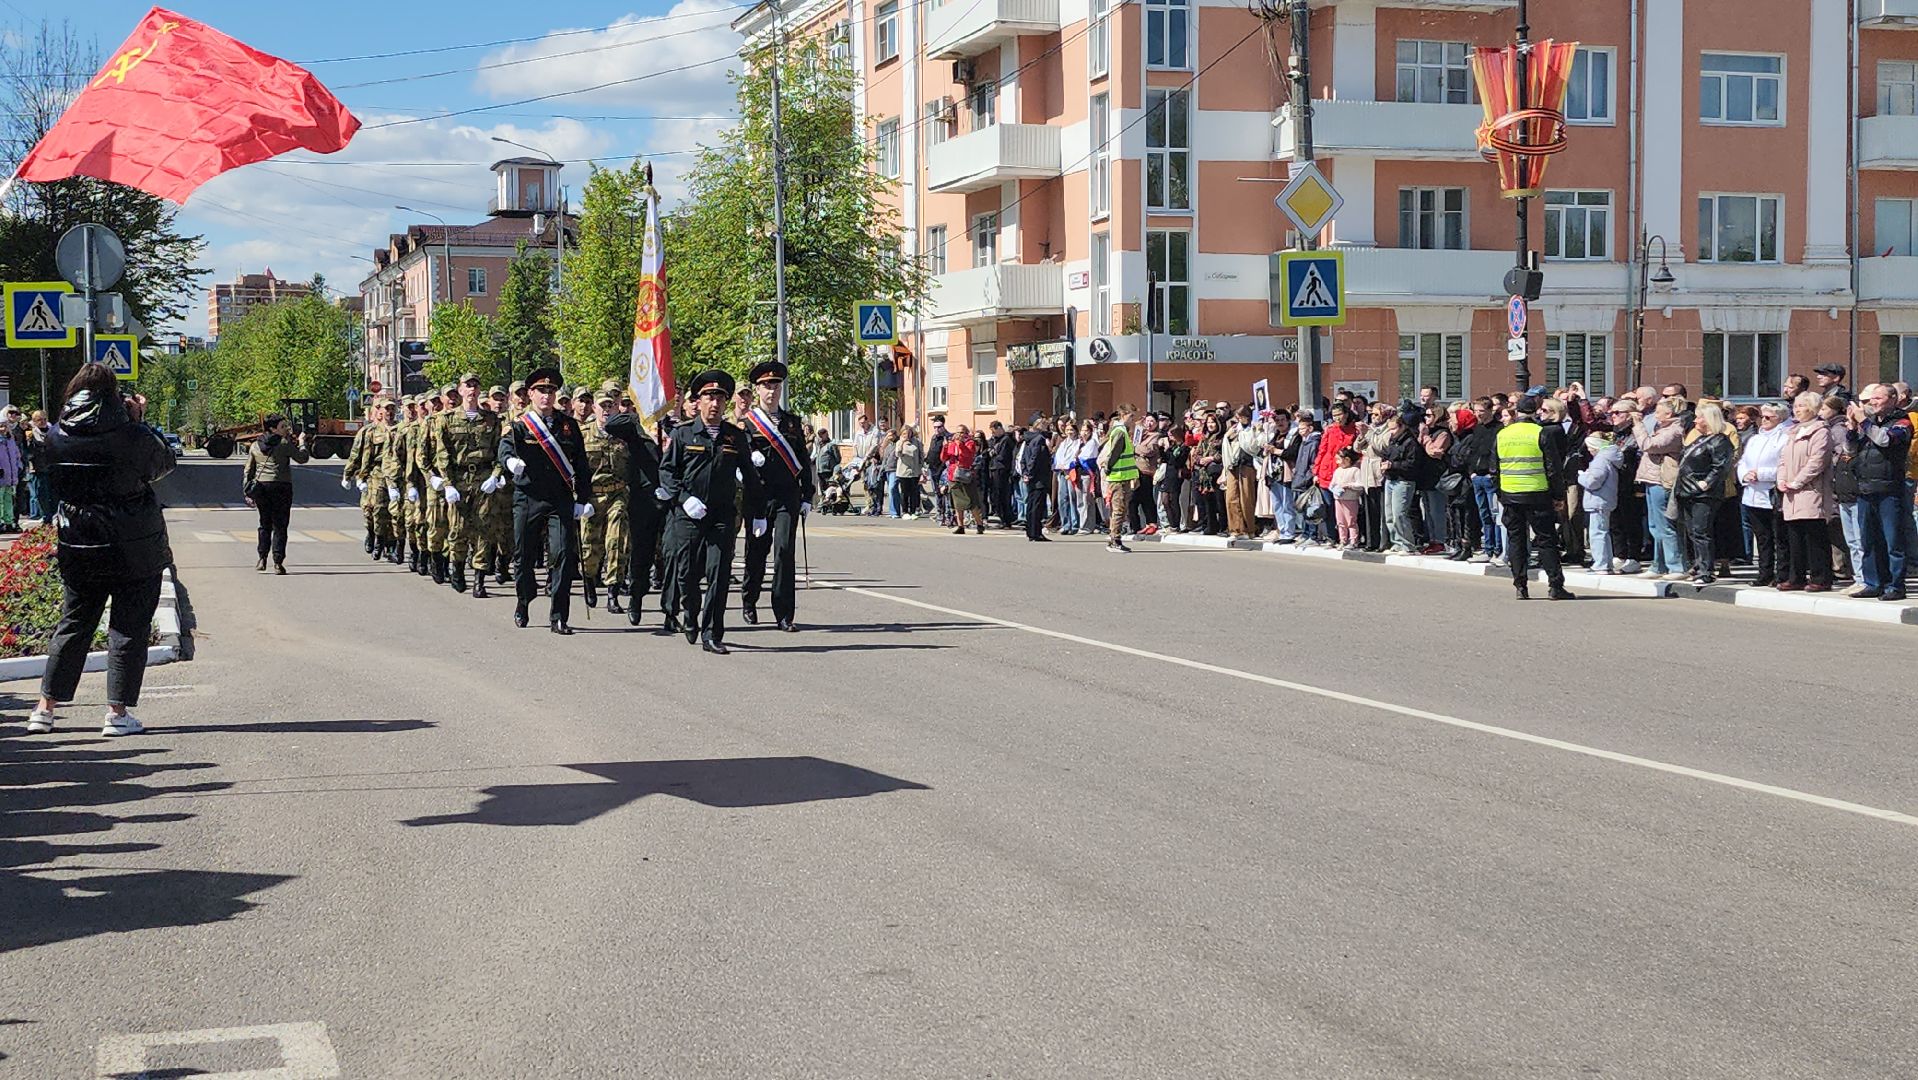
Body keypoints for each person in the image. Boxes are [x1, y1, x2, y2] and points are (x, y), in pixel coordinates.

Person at [27, 364, 174, 737]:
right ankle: (117, 714)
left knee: (74, 622)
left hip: (79, 542)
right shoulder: (131, 433)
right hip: (133, 543)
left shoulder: (56, 436)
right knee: (128, 627)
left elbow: (48, 475)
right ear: (114, 395)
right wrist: (139, 420)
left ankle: (44, 709)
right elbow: (163, 465)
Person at [661, 369, 763, 653]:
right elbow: (667, 472)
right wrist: (684, 498)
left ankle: (712, 633)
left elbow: (750, 477)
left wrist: (759, 513)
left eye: (720, 397)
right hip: (689, 516)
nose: (714, 403)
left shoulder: (734, 437)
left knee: (718, 574)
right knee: (688, 575)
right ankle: (690, 613)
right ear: (699, 401)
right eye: (709, 397)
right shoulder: (683, 434)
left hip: (721, 515)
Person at [499, 366, 594, 634]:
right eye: (541, 390)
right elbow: (504, 450)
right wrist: (510, 461)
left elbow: (582, 465)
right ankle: (524, 601)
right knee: (524, 555)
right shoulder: (519, 425)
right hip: (528, 497)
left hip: (559, 499)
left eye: (551, 391)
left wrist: (582, 499)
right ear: (530, 394)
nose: (546, 396)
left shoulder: (569, 426)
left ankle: (559, 616)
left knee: (563, 554)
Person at [738, 360, 813, 632]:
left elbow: (803, 460)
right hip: (758, 497)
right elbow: (740, 462)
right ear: (757, 389)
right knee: (757, 551)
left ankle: (784, 613)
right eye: (766, 386)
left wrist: (807, 494)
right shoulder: (747, 424)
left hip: (786, 497)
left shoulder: (792, 423)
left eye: (776, 385)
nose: (772, 390)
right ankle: (749, 598)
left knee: (784, 551)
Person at [1493, 394, 1574, 600]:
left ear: (1517, 411)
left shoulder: (1503, 434)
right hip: (1538, 494)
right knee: (1547, 540)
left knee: (1516, 541)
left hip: (1511, 495)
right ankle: (1555, 586)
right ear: (1535, 411)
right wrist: (1558, 495)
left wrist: (1500, 494)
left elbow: (1495, 468)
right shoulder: (1541, 433)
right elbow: (1553, 468)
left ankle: (1521, 586)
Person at [434, 374, 503, 596]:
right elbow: (442, 453)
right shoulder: (447, 420)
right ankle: (458, 569)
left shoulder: (491, 420)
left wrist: (496, 475)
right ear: (460, 390)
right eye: (468, 385)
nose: (472, 389)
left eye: (475, 385)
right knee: (458, 529)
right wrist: (447, 484)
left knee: (484, 529)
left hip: (483, 479)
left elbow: (500, 451)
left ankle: (479, 579)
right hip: (459, 480)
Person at [1845, 383, 1913, 600]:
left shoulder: (1902, 422)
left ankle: (1895, 586)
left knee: (1893, 540)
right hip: (1865, 488)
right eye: (1870, 399)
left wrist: (1863, 421)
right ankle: (1873, 582)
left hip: (1889, 488)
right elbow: (1851, 450)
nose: (1872, 403)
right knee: (1869, 540)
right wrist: (1851, 428)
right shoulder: (1870, 423)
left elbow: (1885, 441)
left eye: (1877, 398)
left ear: (1892, 399)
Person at [1777, 391, 1836, 592]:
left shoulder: (1821, 431)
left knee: (1814, 536)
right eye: (1796, 406)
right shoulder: (1792, 432)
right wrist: (1782, 480)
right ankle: (1796, 577)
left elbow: (1817, 462)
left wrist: (1797, 481)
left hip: (1811, 490)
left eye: (1801, 406)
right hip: (1791, 492)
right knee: (1794, 536)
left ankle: (1821, 577)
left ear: (1812, 408)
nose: (1797, 409)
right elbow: (1783, 460)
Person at [577, 389, 631, 610]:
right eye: (602, 406)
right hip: (592, 496)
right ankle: (589, 582)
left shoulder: (625, 434)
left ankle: (613, 593)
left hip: (617, 494)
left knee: (617, 542)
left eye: (611, 406)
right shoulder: (582, 434)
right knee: (590, 546)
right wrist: (579, 498)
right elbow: (574, 469)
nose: (607, 410)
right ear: (594, 408)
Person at [1674, 403, 1735, 584]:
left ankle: (1707, 571)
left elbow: (1720, 466)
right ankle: (1698, 565)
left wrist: (1706, 483)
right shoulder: (1699, 439)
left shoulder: (1720, 440)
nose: (1695, 420)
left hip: (1704, 494)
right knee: (1692, 531)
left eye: (1699, 417)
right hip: (1687, 491)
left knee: (1702, 531)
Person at [242, 412, 309, 574]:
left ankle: (262, 558)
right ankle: (278, 563)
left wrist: (247, 493)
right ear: (273, 429)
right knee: (280, 525)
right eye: (282, 426)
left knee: (264, 523)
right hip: (281, 487)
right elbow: (302, 458)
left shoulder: (255, 446)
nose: (286, 429)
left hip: (261, 488)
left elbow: (248, 471)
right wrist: (302, 443)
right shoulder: (284, 444)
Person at [1735, 400, 1794, 587]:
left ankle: (1782, 573)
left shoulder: (1784, 438)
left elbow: (1784, 466)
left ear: (1780, 418)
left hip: (1772, 492)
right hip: (1752, 492)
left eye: (1769, 417)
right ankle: (1764, 572)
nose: (1765, 420)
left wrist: (1762, 474)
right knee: (1762, 537)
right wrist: (1745, 474)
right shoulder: (1755, 438)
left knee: (1780, 537)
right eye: (1763, 416)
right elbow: (1743, 461)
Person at [1576, 430, 1623, 575]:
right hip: (1604, 500)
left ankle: (1601, 564)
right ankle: (1606, 563)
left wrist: (1581, 477)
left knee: (1597, 533)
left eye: (1590, 447)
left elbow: (1593, 481)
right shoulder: (1608, 458)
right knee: (1603, 532)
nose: (1589, 450)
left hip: (1598, 501)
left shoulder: (1600, 460)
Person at [1100, 404, 1140, 552]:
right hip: (1118, 477)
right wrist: (1108, 468)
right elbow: (1114, 454)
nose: (1132, 420)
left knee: (1120, 510)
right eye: (1131, 417)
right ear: (1124, 415)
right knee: (1119, 509)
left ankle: (1115, 538)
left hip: (1123, 476)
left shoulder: (1121, 431)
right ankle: (1114, 540)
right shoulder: (1120, 432)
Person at [944, 422, 985, 535]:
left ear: (966, 433)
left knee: (972, 502)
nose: (960, 435)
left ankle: (979, 524)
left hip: (965, 475)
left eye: (962, 432)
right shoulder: (953, 443)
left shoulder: (970, 443)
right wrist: (946, 446)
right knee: (958, 503)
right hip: (953, 475)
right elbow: (945, 457)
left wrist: (960, 444)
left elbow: (967, 456)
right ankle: (960, 525)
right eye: (958, 432)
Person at [1018, 414, 1052, 542]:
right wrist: (1030, 473)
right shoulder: (1039, 439)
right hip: (1039, 477)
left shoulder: (1028, 438)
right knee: (1037, 506)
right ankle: (1036, 532)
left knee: (1031, 504)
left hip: (1031, 476)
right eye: (1043, 423)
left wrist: (1025, 473)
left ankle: (1031, 531)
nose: (1045, 426)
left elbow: (1023, 458)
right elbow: (1035, 458)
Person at [1329, 446, 1362, 548]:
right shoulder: (1338, 471)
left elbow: (1360, 485)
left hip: (1350, 499)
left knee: (1351, 520)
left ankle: (1353, 540)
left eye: (1339, 459)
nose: (1337, 462)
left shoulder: (1355, 470)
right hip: (1338, 499)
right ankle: (1342, 540)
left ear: (1347, 459)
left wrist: (1349, 485)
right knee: (1340, 521)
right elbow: (1331, 484)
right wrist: (1334, 488)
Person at [0, 417, 22, 531]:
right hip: (1, 475)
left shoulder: (10, 440)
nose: (3, 429)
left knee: (9, 500)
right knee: (0, 500)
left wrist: (19, 466)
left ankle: (9, 521)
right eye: (0, 426)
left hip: (10, 475)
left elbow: (16, 455)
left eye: (5, 426)